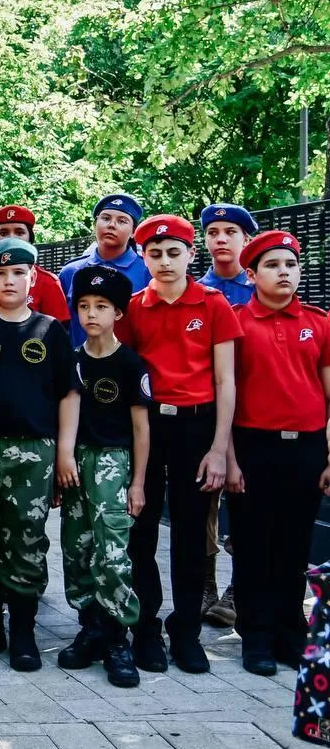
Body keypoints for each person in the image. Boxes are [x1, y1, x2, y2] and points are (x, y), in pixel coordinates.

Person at [121, 214, 242, 675]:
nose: (165, 261)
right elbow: (127, 373)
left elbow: (226, 380)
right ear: (144, 256)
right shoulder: (134, 307)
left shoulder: (212, 305)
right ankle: (146, 626)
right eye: (155, 253)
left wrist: (218, 447)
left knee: (191, 534)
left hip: (197, 427)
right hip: (149, 427)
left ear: (191, 254)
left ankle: (186, 629)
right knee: (142, 529)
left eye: (174, 252)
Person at [0, 238, 79, 673]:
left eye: (18, 274)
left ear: (33, 279)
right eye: (0, 274)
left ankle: (24, 629)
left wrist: (64, 453)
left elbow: (69, 394)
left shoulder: (51, 330)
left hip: (35, 452)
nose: (9, 281)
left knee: (27, 537)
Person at [228, 230, 330, 675]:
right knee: (254, 543)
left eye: (289, 265)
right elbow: (225, 394)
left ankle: (291, 631)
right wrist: (228, 456)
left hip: (306, 447)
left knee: (295, 543)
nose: (283, 272)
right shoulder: (236, 322)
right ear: (251, 275)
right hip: (253, 446)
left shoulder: (320, 321)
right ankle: (256, 635)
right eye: (272, 266)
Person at [56, 265, 148, 689]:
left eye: (102, 307)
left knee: (112, 551)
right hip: (77, 463)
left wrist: (138, 483)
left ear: (119, 313)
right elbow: (66, 413)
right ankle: (89, 626)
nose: (91, 314)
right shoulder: (71, 361)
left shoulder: (131, 364)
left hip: (114, 463)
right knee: (77, 547)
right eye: (84, 306)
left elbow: (142, 428)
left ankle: (116, 637)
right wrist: (65, 459)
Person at [197, 202, 259, 629]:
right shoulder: (195, 291)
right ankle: (205, 583)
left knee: (246, 500)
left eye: (230, 231)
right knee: (203, 502)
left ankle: (240, 587)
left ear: (246, 240)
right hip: (206, 413)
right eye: (213, 231)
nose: (221, 238)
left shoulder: (263, 288)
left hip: (253, 412)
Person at [58, 195, 150, 346]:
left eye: (122, 221)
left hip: (131, 365)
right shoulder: (71, 271)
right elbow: (60, 327)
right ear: (95, 224)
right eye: (105, 218)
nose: (112, 225)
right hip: (79, 364)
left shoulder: (147, 271)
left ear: (134, 231)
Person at [0, 206, 70, 323]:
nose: (12, 238)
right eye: (4, 233)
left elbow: (58, 331)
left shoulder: (48, 282)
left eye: (19, 232)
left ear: (30, 237)